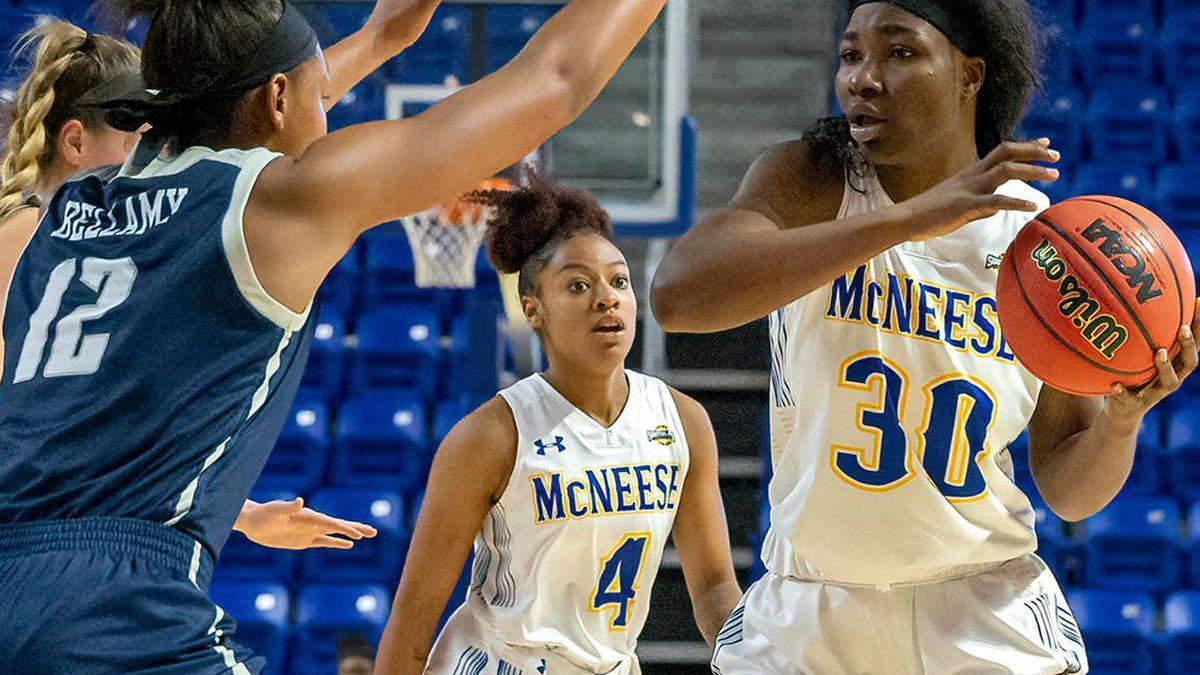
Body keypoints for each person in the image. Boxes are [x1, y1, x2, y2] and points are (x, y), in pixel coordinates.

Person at [0, 0, 669, 670]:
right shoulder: (272, 204)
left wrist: (379, 39)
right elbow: (556, 76)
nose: (329, 113)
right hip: (117, 610)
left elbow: (243, 105)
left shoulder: (54, 213)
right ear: (279, 97)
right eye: (322, 96)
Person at [651, 1, 1200, 673]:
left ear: (970, 75)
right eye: (851, 55)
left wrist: (1119, 422)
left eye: (899, 52)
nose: (863, 77)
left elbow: (1067, 487)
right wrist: (908, 221)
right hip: (812, 610)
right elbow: (678, 295)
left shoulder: (1039, 242)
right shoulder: (814, 181)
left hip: (981, 607)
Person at [0, 19, 379, 556]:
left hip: (69, 542)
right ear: (77, 142)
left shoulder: (106, 234)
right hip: (44, 547)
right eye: (139, 133)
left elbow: (96, 437)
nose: (163, 149)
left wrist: (382, 39)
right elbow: (43, 439)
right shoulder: (26, 239)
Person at [375, 178, 742, 675]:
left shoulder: (682, 421)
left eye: (619, 281)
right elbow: (415, 616)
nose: (606, 298)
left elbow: (716, 586)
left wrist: (748, 658)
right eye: (578, 285)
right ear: (533, 309)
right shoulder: (490, 436)